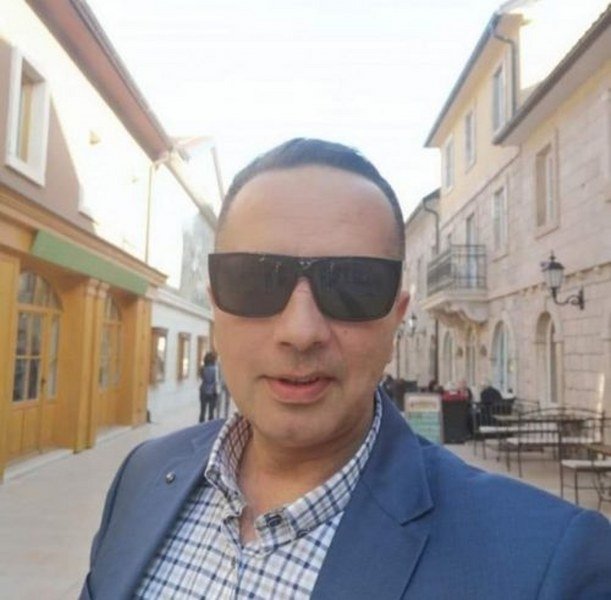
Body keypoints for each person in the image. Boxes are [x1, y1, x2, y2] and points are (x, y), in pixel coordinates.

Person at [81, 139, 611, 599]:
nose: (301, 331)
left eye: (354, 285)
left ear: (396, 318)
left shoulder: (548, 564)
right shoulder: (142, 477)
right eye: (256, 281)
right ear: (215, 305)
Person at [198, 351, 218, 422]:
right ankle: (209, 425)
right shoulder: (215, 369)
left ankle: (201, 425)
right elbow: (215, 381)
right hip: (212, 391)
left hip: (203, 390)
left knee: (202, 411)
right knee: (211, 413)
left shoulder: (202, 368)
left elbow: (202, 377)